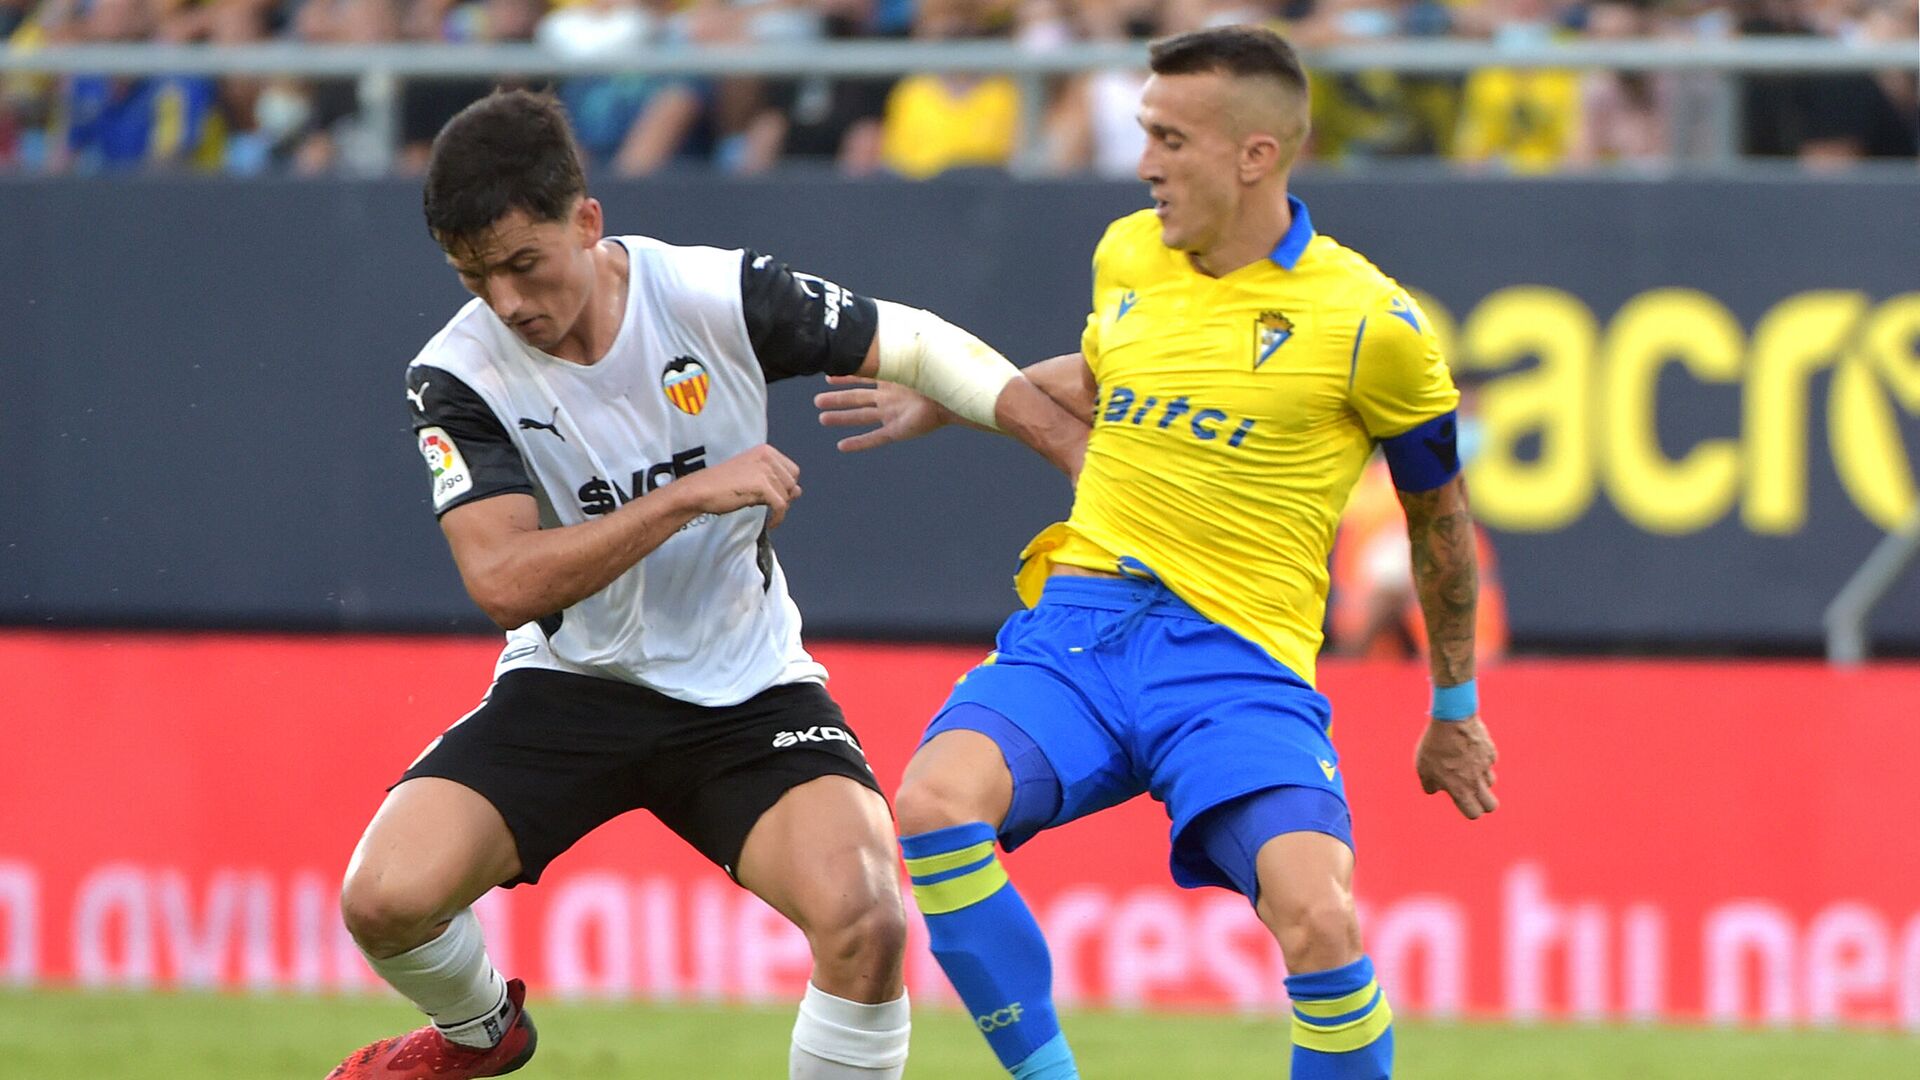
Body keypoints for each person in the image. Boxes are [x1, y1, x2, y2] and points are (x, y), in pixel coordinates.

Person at [326, 88, 1083, 1080]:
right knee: (380, 900)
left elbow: (919, 345)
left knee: (867, 923)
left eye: (523, 264)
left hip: (746, 692)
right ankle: (481, 1034)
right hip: (573, 684)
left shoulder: (714, 295)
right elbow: (505, 582)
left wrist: (1069, 448)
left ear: (587, 223)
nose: (507, 302)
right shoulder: (458, 375)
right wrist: (689, 496)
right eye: (475, 277)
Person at [817, 26, 1498, 1079]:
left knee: (1320, 918)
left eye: (1171, 140)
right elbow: (1108, 375)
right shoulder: (1129, 254)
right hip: (1081, 630)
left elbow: (1439, 522)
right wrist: (951, 400)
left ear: (1255, 156)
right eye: (1145, 134)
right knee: (933, 805)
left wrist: (1453, 710)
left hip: (1238, 664)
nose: (1144, 164)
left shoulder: (1373, 325)